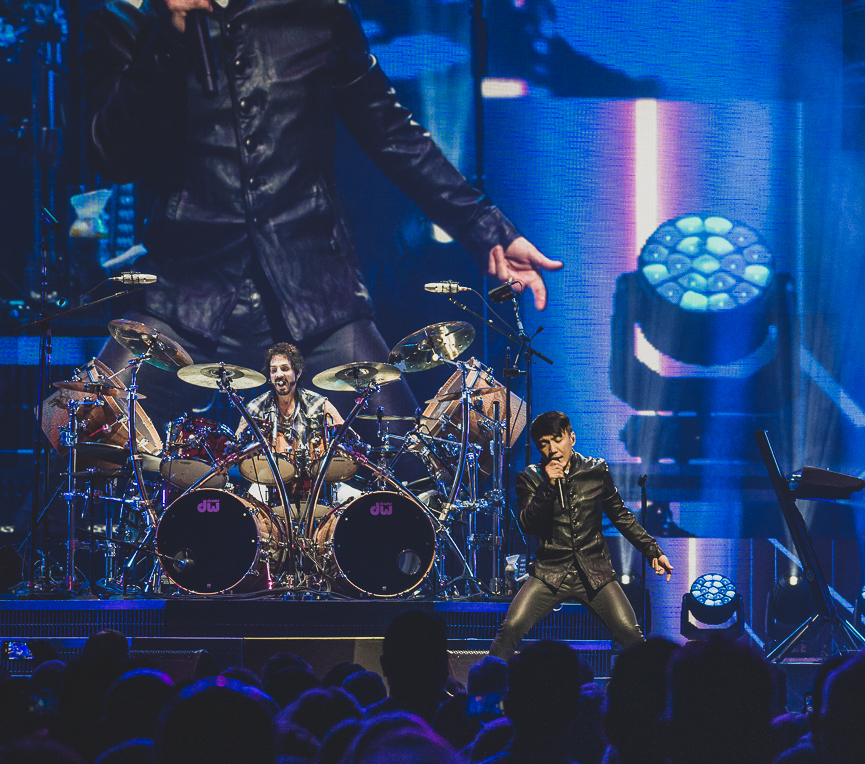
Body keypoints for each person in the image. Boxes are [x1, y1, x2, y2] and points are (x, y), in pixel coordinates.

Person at [74, 0, 562, 428]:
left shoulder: (315, 10)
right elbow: (111, 154)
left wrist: (486, 229)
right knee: (76, 435)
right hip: (185, 295)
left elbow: (389, 130)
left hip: (314, 294)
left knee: (407, 470)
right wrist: (166, 39)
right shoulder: (128, 18)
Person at [488, 412, 671, 661]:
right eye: (544, 443)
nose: (553, 449)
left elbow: (620, 515)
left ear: (571, 437)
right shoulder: (530, 478)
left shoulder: (596, 470)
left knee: (631, 634)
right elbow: (527, 524)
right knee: (510, 629)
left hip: (595, 571)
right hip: (550, 572)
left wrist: (652, 550)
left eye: (557, 439)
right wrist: (548, 487)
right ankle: (486, 693)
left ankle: (656, 694)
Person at [237, 342, 342, 471]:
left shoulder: (319, 404)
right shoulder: (255, 408)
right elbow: (238, 448)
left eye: (285, 369)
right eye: (274, 370)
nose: (279, 374)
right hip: (269, 480)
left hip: (315, 479)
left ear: (298, 373)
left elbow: (347, 438)